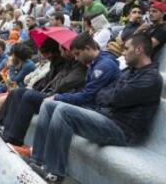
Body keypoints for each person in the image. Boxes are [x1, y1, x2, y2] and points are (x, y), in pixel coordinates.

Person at [29, 34, 162, 183]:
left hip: (122, 130)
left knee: (63, 111)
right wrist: (108, 95)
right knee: (50, 105)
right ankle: (37, 160)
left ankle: (54, 173)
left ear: (139, 50)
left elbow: (115, 98)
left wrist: (108, 95)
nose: (123, 52)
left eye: (126, 48)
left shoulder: (151, 78)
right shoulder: (129, 71)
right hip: (107, 117)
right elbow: (104, 95)